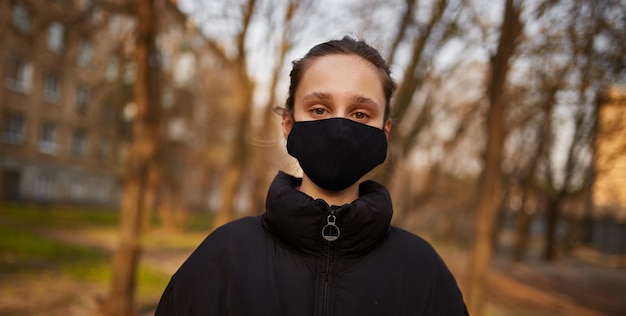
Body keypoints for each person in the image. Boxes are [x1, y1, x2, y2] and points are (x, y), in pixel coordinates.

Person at [155, 36, 468, 316]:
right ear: (288, 124)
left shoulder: (423, 273)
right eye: (319, 109)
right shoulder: (224, 256)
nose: (340, 128)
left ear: (384, 133)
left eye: (360, 114)